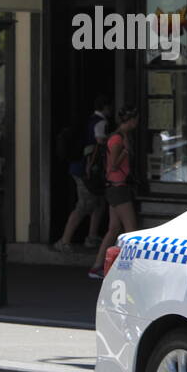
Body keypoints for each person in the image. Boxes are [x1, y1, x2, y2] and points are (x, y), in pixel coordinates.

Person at [54, 95, 110, 252]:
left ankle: (92, 236)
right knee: (84, 205)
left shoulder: (88, 120)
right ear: (105, 108)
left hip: (79, 166)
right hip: (87, 169)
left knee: (98, 202)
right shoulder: (101, 122)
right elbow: (100, 141)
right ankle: (64, 241)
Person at [89, 106, 139, 279]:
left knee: (114, 229)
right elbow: (114, 165)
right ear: (131, 121)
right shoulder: (117, 139)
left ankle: (97, 266)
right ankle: (130, 268)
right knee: (131, 230)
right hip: (118, 188)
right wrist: (125, 151)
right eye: (136, 120)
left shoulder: (120, 136)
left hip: (114, 187)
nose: (137, 123)